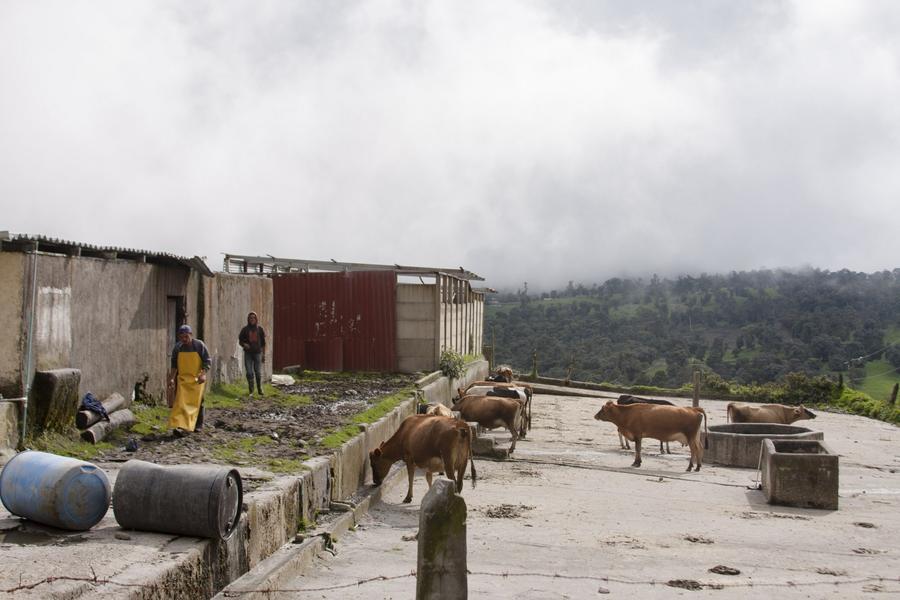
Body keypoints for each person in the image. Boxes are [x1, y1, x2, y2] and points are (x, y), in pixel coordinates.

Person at [167, 324, 211, 436]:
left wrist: (203, 374)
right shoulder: (178, 348)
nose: (184, 339)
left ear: (191, 335)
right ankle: (182, 425)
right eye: (182, 337)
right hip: (183, 379)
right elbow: (174, 364)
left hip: (197, 379)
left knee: (198, 402)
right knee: (181, 402)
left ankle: (198, 425)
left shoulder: (199, 345)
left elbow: (207, 361)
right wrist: (171, 378)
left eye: (186, 336)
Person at [239, 311, 266, 396]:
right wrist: (244, 344)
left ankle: (260, 389)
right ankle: (251, 390)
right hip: (248, 354)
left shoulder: (260, 329)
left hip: (258, 353)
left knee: (258, 372)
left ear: (256, 319)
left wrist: (263, 355)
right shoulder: (245, 329)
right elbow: (240, 341)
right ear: (248, 319)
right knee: (249, 372)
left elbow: (264, 343)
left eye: (254, 317)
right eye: (251, 318)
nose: (252, 319)